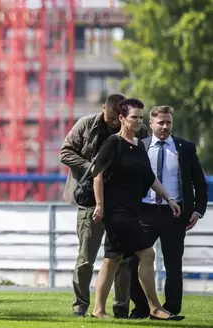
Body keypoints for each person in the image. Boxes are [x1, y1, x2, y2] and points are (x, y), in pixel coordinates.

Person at [90, 98, 183, 321]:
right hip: (117, 212)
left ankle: (98, 310)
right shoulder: (114, 143)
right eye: (134, 117)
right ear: (121, 118)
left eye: (141, 118)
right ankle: (154, 307)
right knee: (147, 253)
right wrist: (100, 205)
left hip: (132, 210)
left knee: (112, 259)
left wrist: (169, 198)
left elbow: (150, 178)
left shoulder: (139, 145)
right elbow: (97, 174)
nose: (139, 121)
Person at [59, 93, 149, 317]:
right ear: (104, 111)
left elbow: (143, 158)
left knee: (122, 258)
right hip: (90, 200)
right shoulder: (86, 124)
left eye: (117, 119)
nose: (113, 123)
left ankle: (121, 307)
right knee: (85, 258)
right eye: (110, 119)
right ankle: (80, 307)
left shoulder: (139, 128)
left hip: (121, 204)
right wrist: (94, 166)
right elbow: (65, 152)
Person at [128, 105, 207, 319]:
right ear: (151, 124)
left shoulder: (185, 148)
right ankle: (142, 307)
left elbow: (200, 183)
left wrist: (198, 211)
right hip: (144, 211)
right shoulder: (139, 146)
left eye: (168, 122)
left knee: (173, 263)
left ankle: (171, 308)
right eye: (160, 122)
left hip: (175, 213)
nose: (164, 126)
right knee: (133, 261)